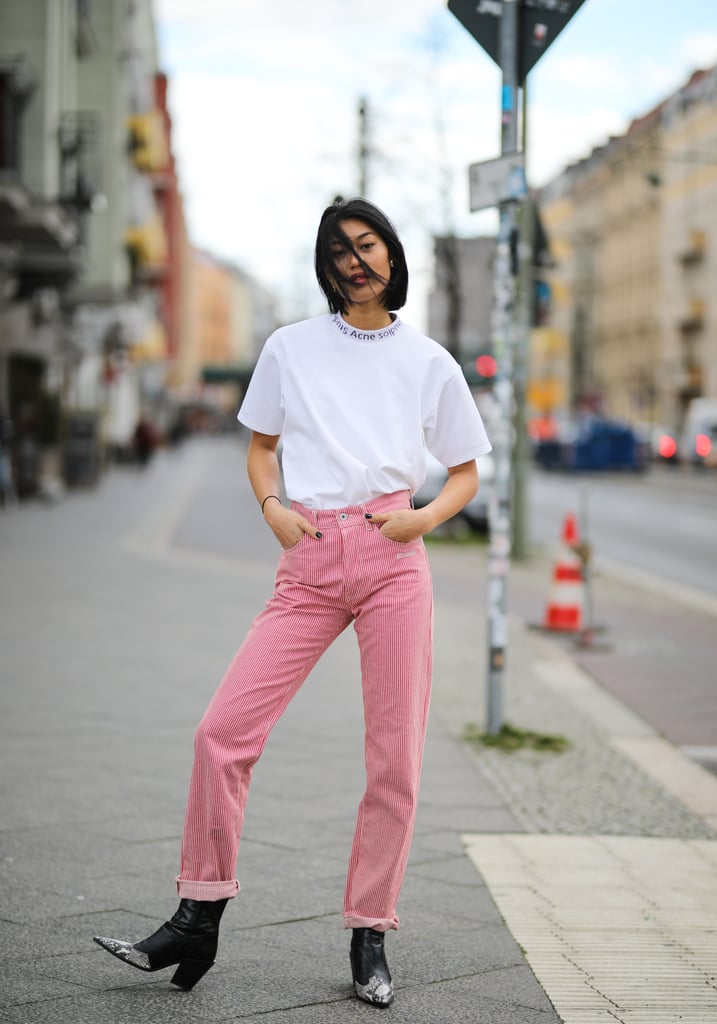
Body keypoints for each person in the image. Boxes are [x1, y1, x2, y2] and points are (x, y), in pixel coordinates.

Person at [94, 197, 492, 1007]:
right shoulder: (288, 348)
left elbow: (464, 471)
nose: (356, 259)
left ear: (391, 256)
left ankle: (369, 933)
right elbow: (261, 450)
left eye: (369, 243)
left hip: (392, 559)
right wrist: (275, 512)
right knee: (221, 733)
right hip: (310, 559)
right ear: (326, 264)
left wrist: (417, 518)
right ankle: (196, 914)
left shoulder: (428, 361)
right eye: (341, 248)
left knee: (394, 759)